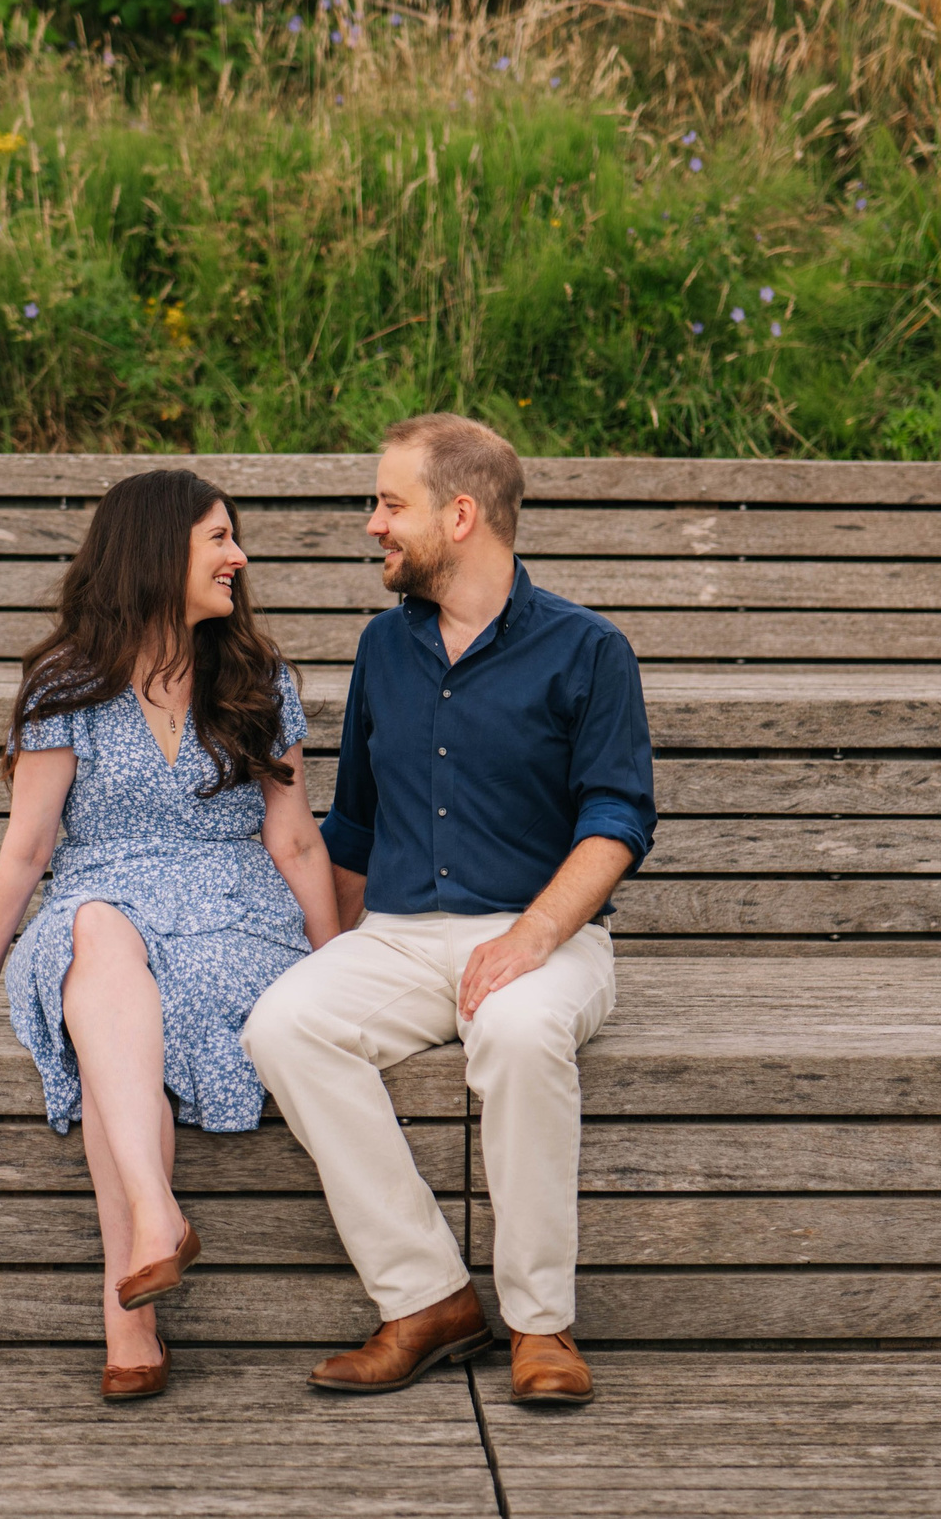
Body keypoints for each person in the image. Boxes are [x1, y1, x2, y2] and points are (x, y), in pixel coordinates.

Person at [0, 468, 341, 1402]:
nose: (240, 558)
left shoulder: (256, 678)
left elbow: (295, 838)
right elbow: (27, 852)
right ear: (159, 554)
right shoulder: (67, 685)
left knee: (109, 1019)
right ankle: (155, 1220)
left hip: (229, 924)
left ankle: (131, 1317)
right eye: (219, 540)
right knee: (97, 932)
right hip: (97, 914)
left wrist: (336, 967)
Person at [243, 413, 656, 1408]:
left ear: (459, 514)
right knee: (285, 1024)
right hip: (397, 937)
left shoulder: (587, 650)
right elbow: (357, 825)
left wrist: (531, 937)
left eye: (390, 504)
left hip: (545, 933)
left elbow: (615, 820)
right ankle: (427, 1298)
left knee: (516, 1029)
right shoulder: (385, 649)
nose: (371, 525)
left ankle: (539, 1325)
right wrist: (311, 952)